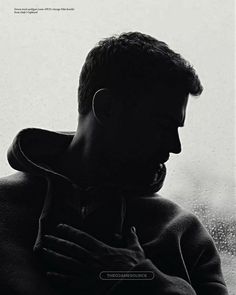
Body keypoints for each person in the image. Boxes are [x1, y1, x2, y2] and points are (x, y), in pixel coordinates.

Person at [0, 32, 228, 294]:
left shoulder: (186, 235)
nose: (175, 147)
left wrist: (139, 278)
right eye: (163, 126)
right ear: (106, 107)